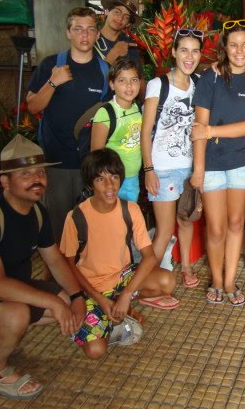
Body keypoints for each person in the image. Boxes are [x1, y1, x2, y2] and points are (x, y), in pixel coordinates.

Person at [0, 135, 86, 399]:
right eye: (26, 174)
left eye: (41, 172)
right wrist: (52, 303)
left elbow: (54, 260)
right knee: (17, 315)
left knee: (66, 301)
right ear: (5, 181)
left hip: (8, 288)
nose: (37, 179)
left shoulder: (38, 212)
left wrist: (77, 296)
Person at [60, 149, 177, 359]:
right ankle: (99, 317)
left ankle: (120, 310)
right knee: (96, 351)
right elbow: (68, 263)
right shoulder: (76, 216)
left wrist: (125, 295)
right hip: (90, 288)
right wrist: (99, 299)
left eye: (114, 177)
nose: (110, 186)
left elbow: (149, 256)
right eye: (101, 179)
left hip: (122, 277)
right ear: (90, 184)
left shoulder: (129, 210)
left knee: (167, 282)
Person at [190, 19, 245, 306]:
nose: (239, 50)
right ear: (224, 48)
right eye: (233, 45)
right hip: (212, 162)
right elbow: (198, 128)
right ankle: (216, 280)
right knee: (216, 227)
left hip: (242, 161)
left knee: (236, 222)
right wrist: (198, 169)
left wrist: (211, 131)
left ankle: (231, 280)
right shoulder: (209, 79)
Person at [27, 7, 110, 244]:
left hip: (89, 162)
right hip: (57, 161)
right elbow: (33, 106)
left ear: (97, 35)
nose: (84, 35)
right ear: (68, 32)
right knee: (58, 224)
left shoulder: (104, 71)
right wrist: (53, 82)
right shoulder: (51, 65)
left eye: (90, 30)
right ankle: (58, 265)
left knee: (88, 226)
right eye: (78, 29)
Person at [141, 28, 203, 292]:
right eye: (184, 50)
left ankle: (186, 266)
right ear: (174, 52)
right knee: (165, 230)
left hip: (189, 167)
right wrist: (149, 169)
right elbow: (146, 130)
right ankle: (145, 281)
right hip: (162, 169)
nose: (189, 57)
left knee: (186, 219)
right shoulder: (158, 85)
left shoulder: (199, 83)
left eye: (195, 51)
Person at [91, 57, 142, 202]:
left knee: (128, 215)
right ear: (112, 84)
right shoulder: (106, 113)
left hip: (133, 179)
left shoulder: (138, 108)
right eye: (122, 80)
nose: (129, 86)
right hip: (112, 182)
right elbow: (96, 155)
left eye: (134, 80)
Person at [95, 0, 142, 68]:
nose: (120, 18)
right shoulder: (90, 39)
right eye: (117, 12)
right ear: (107, 11)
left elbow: (136, 73)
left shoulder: (129, 46)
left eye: (126, 17)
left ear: (128, 23)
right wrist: (114, 54)